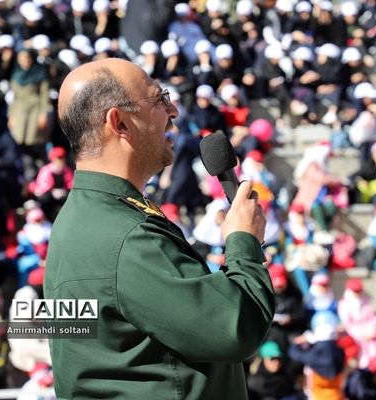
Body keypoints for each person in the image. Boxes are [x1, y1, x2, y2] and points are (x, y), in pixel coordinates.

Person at [44, 58, 274, 399]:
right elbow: (236, 327)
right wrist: (243, 243)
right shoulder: (127, 236)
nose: (173, 110)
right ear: (119, 122)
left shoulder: (84, 216)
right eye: (159, 98)